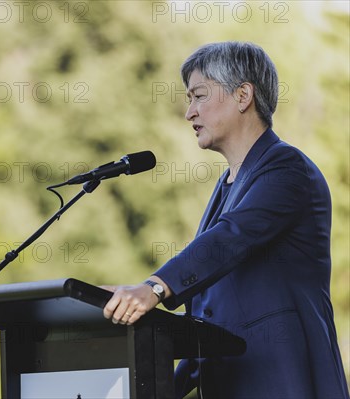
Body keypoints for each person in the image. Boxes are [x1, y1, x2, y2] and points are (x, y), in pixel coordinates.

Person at [103, 42, 349, 398]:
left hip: (284, 379)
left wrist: (153, 288)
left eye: (198, 96)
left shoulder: (288, 169)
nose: (189, 112)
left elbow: (230, 239)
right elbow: (210, 312)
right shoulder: (228, 185)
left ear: (243, 95)